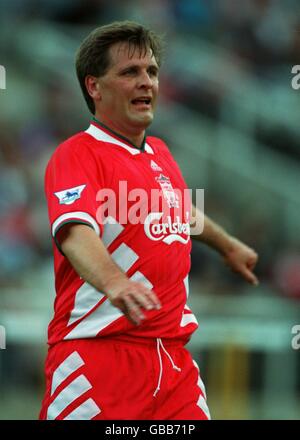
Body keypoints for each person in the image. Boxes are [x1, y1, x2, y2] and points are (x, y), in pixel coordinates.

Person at [39, 21, 258, 420]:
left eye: (151, 72)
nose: (146, 82)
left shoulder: (159, 153)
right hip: (100, 359)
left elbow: (181, 212)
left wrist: (228, 245)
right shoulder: (78, 154)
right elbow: (74, 232)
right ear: (94, 86)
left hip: (173, 364)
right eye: (130, 72)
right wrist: (114, 279)